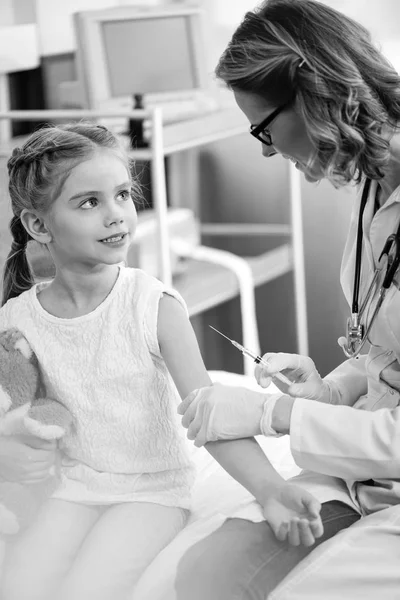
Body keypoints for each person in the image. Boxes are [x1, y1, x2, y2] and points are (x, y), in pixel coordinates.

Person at [0, 122, 324, 600]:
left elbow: (208, 412)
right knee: (19, 583)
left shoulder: (152, 304)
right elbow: (15, 408)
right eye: (90, 202)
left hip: (151, 493)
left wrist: (271, 490)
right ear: (38, 225)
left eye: (123, 195)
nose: (118, 215)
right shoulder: (18, 317)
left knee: (87, 590)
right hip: (73, 487)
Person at [175, 0, 400, 598]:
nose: (268, 150)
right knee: (206, 574)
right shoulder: (376, 181)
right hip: (369, 459)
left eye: (264, 129)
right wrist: (336, 387)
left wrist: (271, 415)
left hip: (390, 461)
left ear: (310, 94)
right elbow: (388, 349)